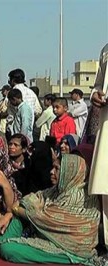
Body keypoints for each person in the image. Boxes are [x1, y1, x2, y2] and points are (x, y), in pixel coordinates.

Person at [0, 154, 101, 265]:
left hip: (69, 249)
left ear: (70, 173)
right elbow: (31, 199)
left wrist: (17, 210)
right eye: (53, 167)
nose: (51, 171)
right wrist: (13, 211)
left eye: (57, 169)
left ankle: (0, 244)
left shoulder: (79, 198)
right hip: (45, 233)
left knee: (8, 249)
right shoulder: (56, 190)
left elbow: (43, 218)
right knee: (22, 212)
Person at [88, 43, 108, 251]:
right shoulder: (105, 50)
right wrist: (96, 93)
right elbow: (98, 84)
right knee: (106, 186)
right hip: (107, 123)